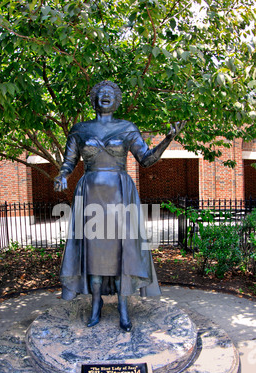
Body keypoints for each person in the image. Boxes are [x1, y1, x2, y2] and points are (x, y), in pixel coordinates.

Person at [54, 80, 185, 331]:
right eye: (100, 93)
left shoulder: (127, 128)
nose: (105, 96)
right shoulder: (80, 129)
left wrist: (168, 139)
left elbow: (146, 159)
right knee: (93, 253)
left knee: (121, 252)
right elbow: (68, 162)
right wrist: (62, 175)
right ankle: (96, 304)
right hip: (90, 196)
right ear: (94, 99)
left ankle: (124, 307)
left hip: (120, 196)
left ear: (116, 100)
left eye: (110, 94)